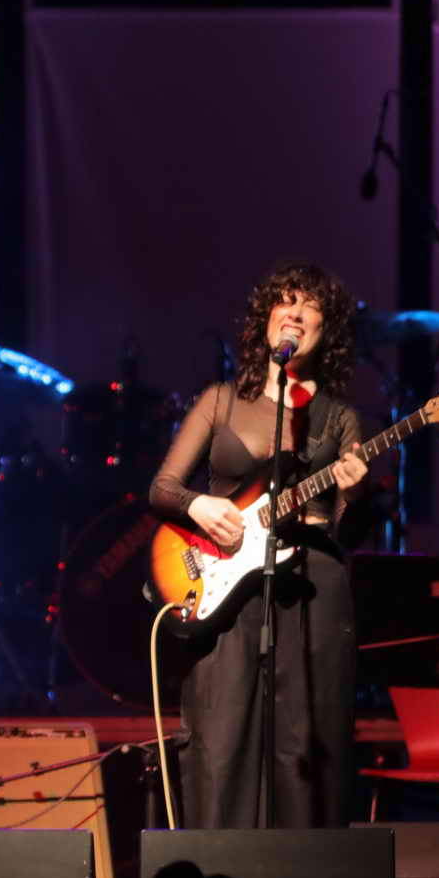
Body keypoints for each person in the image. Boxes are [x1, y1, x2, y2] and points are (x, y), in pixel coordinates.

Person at [147, 260, 373, 829]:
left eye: (310, 306)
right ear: (266, 318)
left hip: (310, 590)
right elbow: (162, 489)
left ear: (325, 330)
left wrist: (353, 494)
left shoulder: (338, 418)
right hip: (224, 586)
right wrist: (199, 505)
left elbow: (347, 532)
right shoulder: (222, 400)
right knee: (222, 740)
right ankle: (220, 874)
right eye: (285, 301)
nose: (294, 313)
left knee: (304, 745)